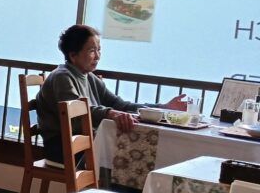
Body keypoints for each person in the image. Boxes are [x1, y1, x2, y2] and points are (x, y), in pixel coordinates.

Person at [36, 24, 186, 164]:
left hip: (87, 142)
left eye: (99, 50)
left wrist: (163, 107)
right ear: (73, 55)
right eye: (92, 51)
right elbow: (76, 111)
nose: (97, 56)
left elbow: (120, 105)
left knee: (138, 153)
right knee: (132, 155)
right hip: (62, 147)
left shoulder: (90, 77)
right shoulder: (62, 77)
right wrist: (111, 114)